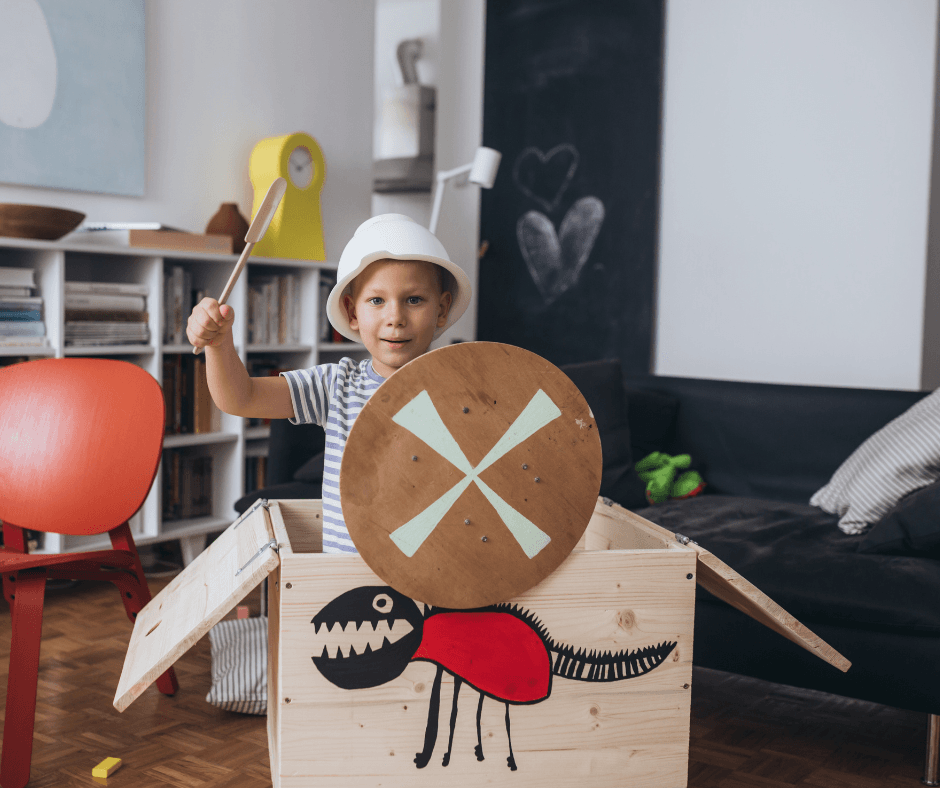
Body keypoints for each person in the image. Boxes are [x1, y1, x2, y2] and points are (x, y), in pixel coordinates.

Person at [186, 213, 472, 553]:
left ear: (441, 310)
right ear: (352, 313)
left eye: (414, 300)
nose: (395, 318)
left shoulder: (463, 391)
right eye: (376, 301)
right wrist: (218, 346)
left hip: (434, 574)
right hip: (346, 578)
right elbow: (241, 398)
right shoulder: (336, 384)